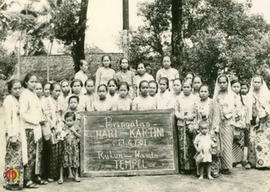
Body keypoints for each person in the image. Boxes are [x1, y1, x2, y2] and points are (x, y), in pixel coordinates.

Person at [19, 73, 45, 188]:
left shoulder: (34, 95)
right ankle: (27, 179)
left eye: (35, 82)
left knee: (37, 153)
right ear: (26, 83)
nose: (34, 84)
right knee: (30, 154)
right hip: (29, 128)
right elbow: (23, 114)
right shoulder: (24, 95)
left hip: (36, 127)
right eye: (32, 82)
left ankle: (35, 176)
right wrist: (35, 121)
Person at [3, 79, 27, 190]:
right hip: (13, 133)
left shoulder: (19, 99)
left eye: (19, 88)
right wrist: (11, 134)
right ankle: (10, 182)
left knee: (18, 159)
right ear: (10, 89)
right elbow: (7, 119)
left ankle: (17, 181)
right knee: (12, 159)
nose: (18, 90)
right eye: (15, 88)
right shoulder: (8, 100)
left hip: (19, 132)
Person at [211, 75, 235, 174]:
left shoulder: (232, 95)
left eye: (224, 82)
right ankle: (219, 166)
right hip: (218, 122)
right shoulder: (217, 95)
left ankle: (227, 166)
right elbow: (214, 107)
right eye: (220, 82)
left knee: (227, 143)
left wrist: (225, 114)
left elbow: (234, 108)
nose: (222, 84)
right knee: (218, 143)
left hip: (227, 121)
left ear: (227, 82)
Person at [247, 75, 270, 169]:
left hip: (264, 120)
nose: (256, 84)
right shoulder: (249, 94)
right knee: (252, 140)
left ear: (261, 83)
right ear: (252, 83)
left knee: (263, 141)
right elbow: (247, 108)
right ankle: (251, 162)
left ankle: (264, 162)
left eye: (258, 82)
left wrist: (265, 113)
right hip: (253, 119)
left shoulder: (266, 94)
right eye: (255, 82)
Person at [175, 80, 198, 173]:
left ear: (191, 88)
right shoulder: (178, 98)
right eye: (184, 87)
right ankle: (184, 167)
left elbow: (196, 111)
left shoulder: (195, 98)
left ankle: (192, 167)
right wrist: (180, 116)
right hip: (181, 123)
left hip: (191, 123)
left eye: (188, 87)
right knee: (183, 145)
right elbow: (176, 110)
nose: (186, 89)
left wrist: (190, 117)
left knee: (192, 145)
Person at [58, 112, 80, 184]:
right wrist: (62, 134)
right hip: (65, 147)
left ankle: (76, 175)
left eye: (70, 120)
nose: (69, 122)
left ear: (74, 121)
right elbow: (60, 136)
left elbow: (80, 136)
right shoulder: (64, 127)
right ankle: (61, 177)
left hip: (74, 147)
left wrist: (74, 132)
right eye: (67, 120)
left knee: (75, 161)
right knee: (63, 161)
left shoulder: (76, 127)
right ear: (65, 121)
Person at [231, 79, 249, 168]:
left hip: (240, 122)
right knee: (232, 141)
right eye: (234, 86)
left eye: (238, 87)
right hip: (232, 121)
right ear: (230, 87)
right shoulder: (230, 97)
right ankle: (232, 160)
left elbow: (244, 108)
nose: (236, 88)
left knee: (239, 142)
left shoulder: (240, 97)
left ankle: (239, 160)